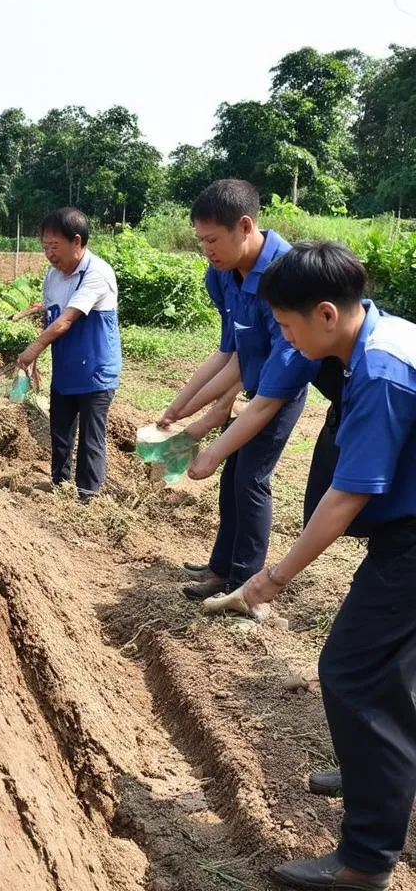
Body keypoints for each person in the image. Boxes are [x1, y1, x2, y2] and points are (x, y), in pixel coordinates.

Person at [235, 243, 416, 891]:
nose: (284, 338)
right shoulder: (380, 333)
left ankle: (365, 863)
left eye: (287, 327)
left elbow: (349, 494)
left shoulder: (382, 372)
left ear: (325, 314)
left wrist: (274, 575)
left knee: (352, 671)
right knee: (395, 668)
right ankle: (378, 766)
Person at [158, 179, 314, 600]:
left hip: (278, 391)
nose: (206, 249)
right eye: (200, 240)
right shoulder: (223, 273)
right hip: (251, 384)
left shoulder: (287, 277)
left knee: (250, 479)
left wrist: (209, 448)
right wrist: (179, 408)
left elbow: (271, 389)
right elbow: (232, 355)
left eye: (212, 240)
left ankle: (245, 583)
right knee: (233, 479)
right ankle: (221, 568)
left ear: (245, 226)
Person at [15, 207, 121, 499]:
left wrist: (33, 348)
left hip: (96, 370)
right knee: (60, 432)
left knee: (91, 437)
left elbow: (65, 321)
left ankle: (88, 497)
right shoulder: (53, 275)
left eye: (54, 246)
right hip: (66, 369)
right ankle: (60, 488)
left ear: (77, 241)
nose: (49, 253)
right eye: (45, 247)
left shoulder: (97, 272)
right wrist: (37, 358)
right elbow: (51, 316)